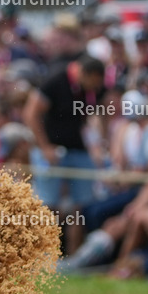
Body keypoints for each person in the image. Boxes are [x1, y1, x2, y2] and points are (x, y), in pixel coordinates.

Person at [23, 55, 106, 213]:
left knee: (81, 208)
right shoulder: (56, 80)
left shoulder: (87, 90)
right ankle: (43, 238)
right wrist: (45, 147)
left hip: (78, 148)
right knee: (46, 205)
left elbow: (92, 118)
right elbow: (30, 114)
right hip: (51, 150)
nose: (95, 88)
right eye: (94, 83)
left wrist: (96, 144)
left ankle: (77, 238)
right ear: (86, 74)